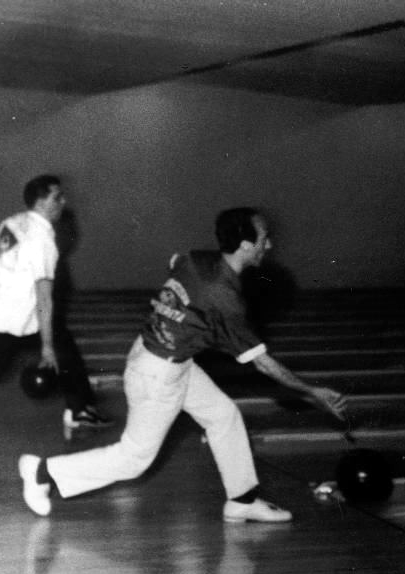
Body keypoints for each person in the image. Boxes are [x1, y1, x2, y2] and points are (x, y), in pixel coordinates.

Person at [18, 207, 348, 523]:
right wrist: (312, 391)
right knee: (134, 459)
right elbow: (263, 364)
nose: (269, 244)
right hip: (159, 373)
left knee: (222, 415)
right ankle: (41, 472)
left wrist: (183, 315)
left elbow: (175, 261)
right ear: (246, 245)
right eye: (264, 238)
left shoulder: (197, 258)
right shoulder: (225, 299)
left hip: (164, 356)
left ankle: (242, 502)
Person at [0, 174, 111, 436]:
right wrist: (46, 348)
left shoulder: (13, 221)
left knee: (63, 346)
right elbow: (44, 297)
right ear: (41, 201)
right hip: (12, 318)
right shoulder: (41, 241)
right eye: (57, 197)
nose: (63, 202)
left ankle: (81, 409)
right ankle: (81, 410)